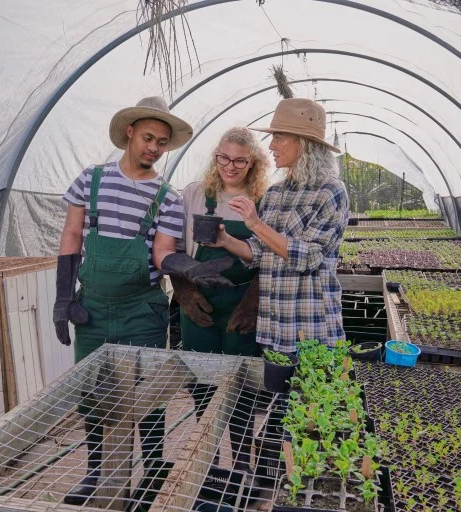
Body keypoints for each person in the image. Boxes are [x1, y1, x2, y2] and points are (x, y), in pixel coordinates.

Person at [53, 96, 233, 505]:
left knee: (148, 396)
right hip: (93, 308)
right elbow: (71, 236)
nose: (154, 147)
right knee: (92, 394)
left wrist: (189, 268)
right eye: (148, 137)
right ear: (130, 133)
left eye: (162, 142)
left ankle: (152, 470)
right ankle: (96, 473)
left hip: (142, 310)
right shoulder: (91, 179)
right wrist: (63, 299)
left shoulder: (166, 198)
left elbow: (160, 253)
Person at [210, 98, 349, 354]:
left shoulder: (330, 191)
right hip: (273, 328)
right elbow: (261, 252)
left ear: (304, 144)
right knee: (276, 394)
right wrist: (226, 241)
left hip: (311, 326)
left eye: (279, 137)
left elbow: (309, 257)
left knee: (311, 392)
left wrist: (255, 223)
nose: (271, 145)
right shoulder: (275, 193)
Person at [173, 127, 270, 472]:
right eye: (224, 158)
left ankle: (242, 464)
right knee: (202, 382)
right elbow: (174, 249)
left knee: (241, 384)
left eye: (240, 160)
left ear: (253, 163)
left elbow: (271, 256)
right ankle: (209, 465)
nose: (230, 166)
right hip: (200, 304)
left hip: (241, 308)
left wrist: (254, 300)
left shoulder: (265, 201)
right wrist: (183, 291)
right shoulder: (194, 195)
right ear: (215, 157)